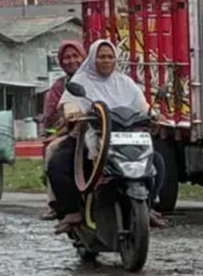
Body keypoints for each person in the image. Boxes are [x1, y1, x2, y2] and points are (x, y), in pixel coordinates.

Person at [47, 39, 166, 230]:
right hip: (89, 135)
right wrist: (74, 112)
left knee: (157, 162)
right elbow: (68, 104)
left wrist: (152, 114)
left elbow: (141, 105)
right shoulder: (80, 82)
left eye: (110, 56)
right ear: (93, 58)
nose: (106, 60)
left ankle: (147, 206)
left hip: (125, 137)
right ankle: (71, 212)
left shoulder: (125, 82)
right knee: (58, 163)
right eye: (101, 56)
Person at [40, 40, 87, 219]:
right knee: (53, 150)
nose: (71, 60)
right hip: (71, 132)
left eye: (76, 56)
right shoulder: (60, 87)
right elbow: (51, 116)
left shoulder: (96, 78)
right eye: (66, 57)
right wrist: (60, 128)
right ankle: (56, 203)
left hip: (101, 131)